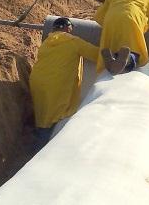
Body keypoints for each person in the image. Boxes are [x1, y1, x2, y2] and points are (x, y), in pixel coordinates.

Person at [29, 17, 99, 148]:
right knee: (52, 119)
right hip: (56, 85)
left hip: (38, 82)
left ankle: (35, 139)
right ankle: (40, 151)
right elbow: (95, 54)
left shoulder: (46, 42)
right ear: (68, 28)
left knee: (42, 115)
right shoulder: (73, 42)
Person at [94, 0, 149, 75]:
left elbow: (98, 16)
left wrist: (109, 25)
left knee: (113, 45)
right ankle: (128, 59)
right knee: (134, 49)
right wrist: (148, 28)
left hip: (111, 20)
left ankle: (112, 60)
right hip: (131, 20)